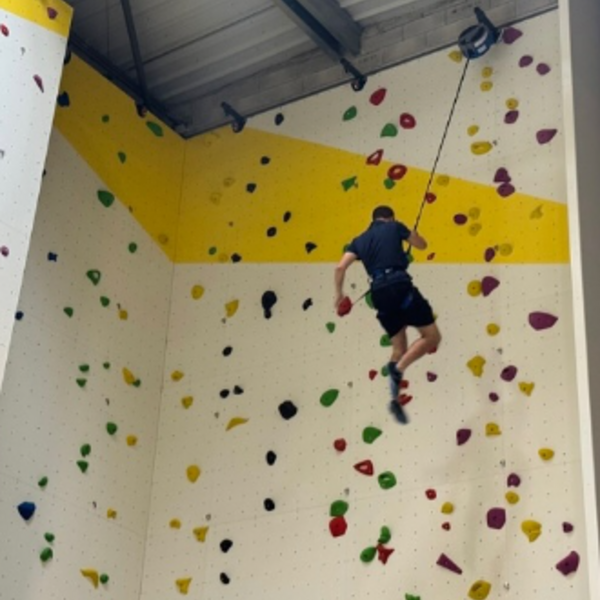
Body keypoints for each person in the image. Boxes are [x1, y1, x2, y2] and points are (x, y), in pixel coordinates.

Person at [334, 205, 441, 423]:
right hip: (400, 286)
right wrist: (414, 236)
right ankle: (398, 369)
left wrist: (339, 295)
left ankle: (394, 398)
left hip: (379, 294)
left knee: (398, 348)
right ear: (390, 218)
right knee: (432, 337)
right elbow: (422, 245)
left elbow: (340, 268)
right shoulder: (395, 227)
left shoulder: (359, 240)